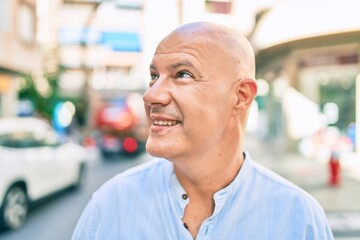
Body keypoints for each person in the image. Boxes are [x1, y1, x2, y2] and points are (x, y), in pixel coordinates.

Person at [71, 21, 334, 240]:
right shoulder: (110, 205)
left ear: (241, 96)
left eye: (183, 75)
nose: (151, 95)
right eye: (154, 76)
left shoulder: (299, 219)